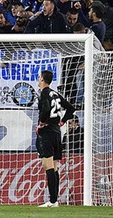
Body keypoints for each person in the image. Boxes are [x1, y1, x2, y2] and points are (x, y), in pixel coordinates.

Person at [35, 70, 75, 208]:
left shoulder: (44, 94)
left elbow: (45, 109)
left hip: (47, 132)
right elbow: (70, 108)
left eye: (39, 77)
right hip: (57, 133)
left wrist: (41, 122)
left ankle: (52, 201)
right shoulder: (56, 94)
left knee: (48, 166)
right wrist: (62, 121)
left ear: (41, 79)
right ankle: (54, 200)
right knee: (55, 167)